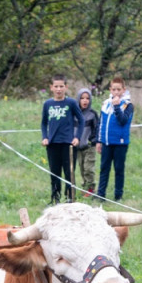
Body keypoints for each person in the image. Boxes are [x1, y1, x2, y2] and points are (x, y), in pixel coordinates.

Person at [40, 74, 83, 204]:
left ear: (66, 87)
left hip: (68, 144)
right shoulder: (48, 104)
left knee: (69, 173)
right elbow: (43, 123)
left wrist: (77, 137)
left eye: (61, 86)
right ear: (51, 88)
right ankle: (55, 198)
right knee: (55, 173)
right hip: (53, 144)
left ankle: (69, 198)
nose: (59, 89)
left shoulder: (71, 103)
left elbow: (81, 120)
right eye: (56, 86)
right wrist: (45, 137)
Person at [95, 76, 135, 201]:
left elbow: (123, 121)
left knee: (118, 169)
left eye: (119, 89)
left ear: (124, 90)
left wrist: (117, 106)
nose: (116, 92)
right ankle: (101, 194)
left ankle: (118, 195)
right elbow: (101, 123)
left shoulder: (128, 105)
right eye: (114, 89)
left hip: (120, 143)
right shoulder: (106, 104)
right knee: (104, 168)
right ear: (110, 90)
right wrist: (99, 140)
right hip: (106, 142)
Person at [74, 87, 100, 197]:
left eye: (87, 98)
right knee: (82, 168)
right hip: (78, 147)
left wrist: (93, 140)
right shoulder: (74, 113)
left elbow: (97, 128)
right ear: (78, 99)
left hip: (89, 147)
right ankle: (84, 187)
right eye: (82, 98)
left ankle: (90, 188)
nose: (85, 100)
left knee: (89, 168)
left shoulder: (93, 114)